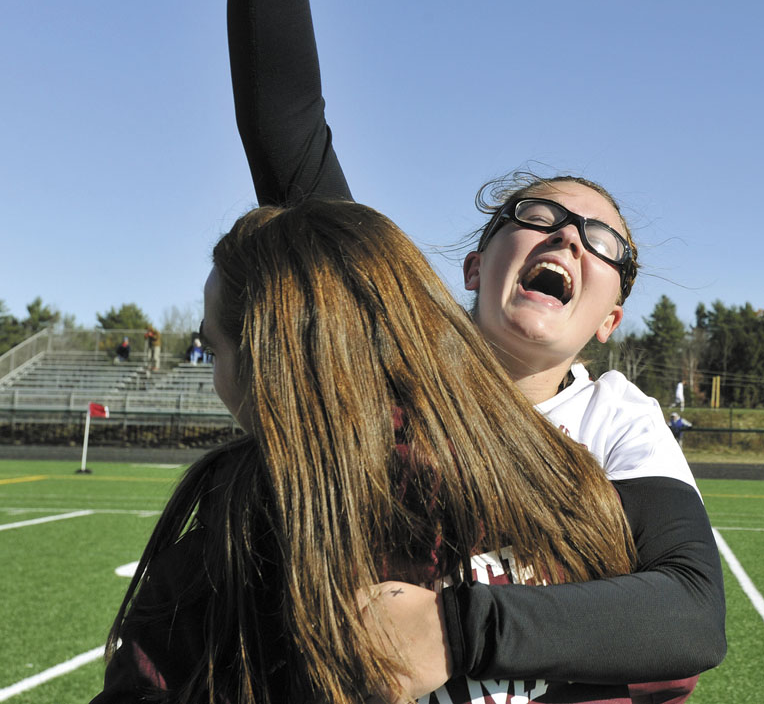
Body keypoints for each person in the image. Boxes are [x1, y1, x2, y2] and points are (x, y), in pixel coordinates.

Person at [225, 0, 725, 700]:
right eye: (536, 216)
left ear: (607, 316)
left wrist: (454, 630)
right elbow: (288, 134)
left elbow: (686, 610)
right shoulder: (400, 346)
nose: (566, 237)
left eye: (600, 241)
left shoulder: (616, 421)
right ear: (472, 265)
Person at [92, 199, 638, 704]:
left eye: (215, 348)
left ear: (268, 357)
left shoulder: (239, 538)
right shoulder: (568, 478)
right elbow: (664, 672)